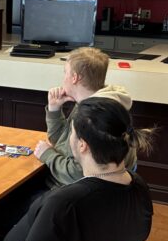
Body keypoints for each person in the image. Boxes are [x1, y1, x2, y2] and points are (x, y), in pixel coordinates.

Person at [0, 98, 154, 241]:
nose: (69, 137)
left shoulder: (66, 205)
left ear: (82, 145)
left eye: (71, 132)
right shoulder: (139, 187)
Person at [35, 47, 134, 189]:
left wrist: (48, 155)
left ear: (75, 78)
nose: (64, 78)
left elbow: (78, 176)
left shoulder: (94, 117)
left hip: (70, 193)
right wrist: (54, 109)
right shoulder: (89, 103)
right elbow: (60, 143)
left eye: (65, 72)